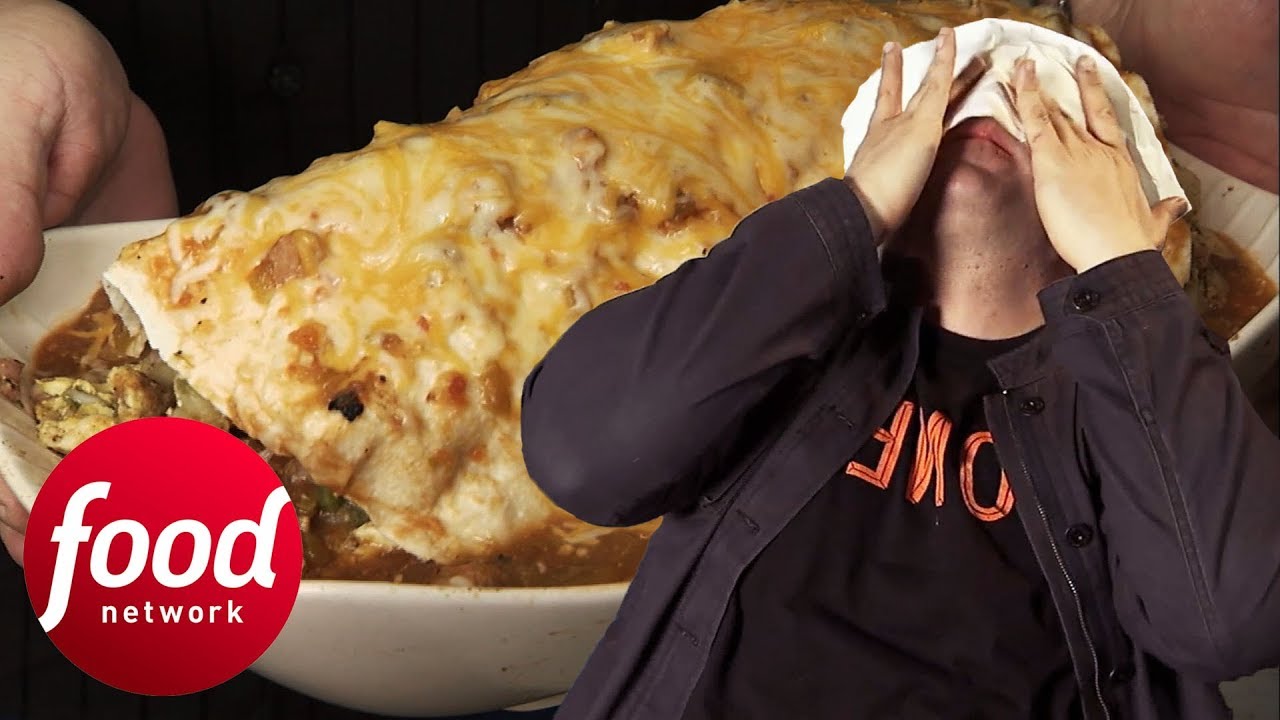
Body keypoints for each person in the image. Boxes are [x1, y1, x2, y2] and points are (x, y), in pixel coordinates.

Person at [518, 17, 1280, 720]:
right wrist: (854, 209)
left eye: (1051, 112)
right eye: (951, 89)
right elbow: (585, 456)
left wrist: (1123, 274)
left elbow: (1233, 623)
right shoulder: (778, 334)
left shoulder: (1143, 386)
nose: (995, 101)